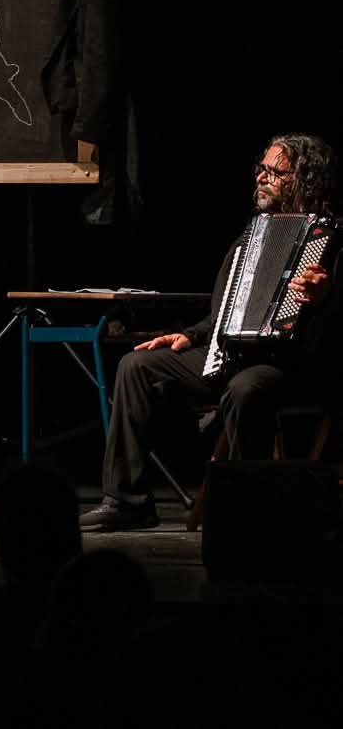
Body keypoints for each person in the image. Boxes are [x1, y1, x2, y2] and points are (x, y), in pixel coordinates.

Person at [80, 132, 341, 532]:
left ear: (306, 180)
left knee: (246, 389)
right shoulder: (252, 236)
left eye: (277, 172)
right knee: (136, 366)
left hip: (290, 367)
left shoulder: (332, 241)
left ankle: (247, 511)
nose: (262, 178)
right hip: (230, 355)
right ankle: (128, 501)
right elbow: (228, 308)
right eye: (262, 169)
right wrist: (193, 335)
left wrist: (326, 296)